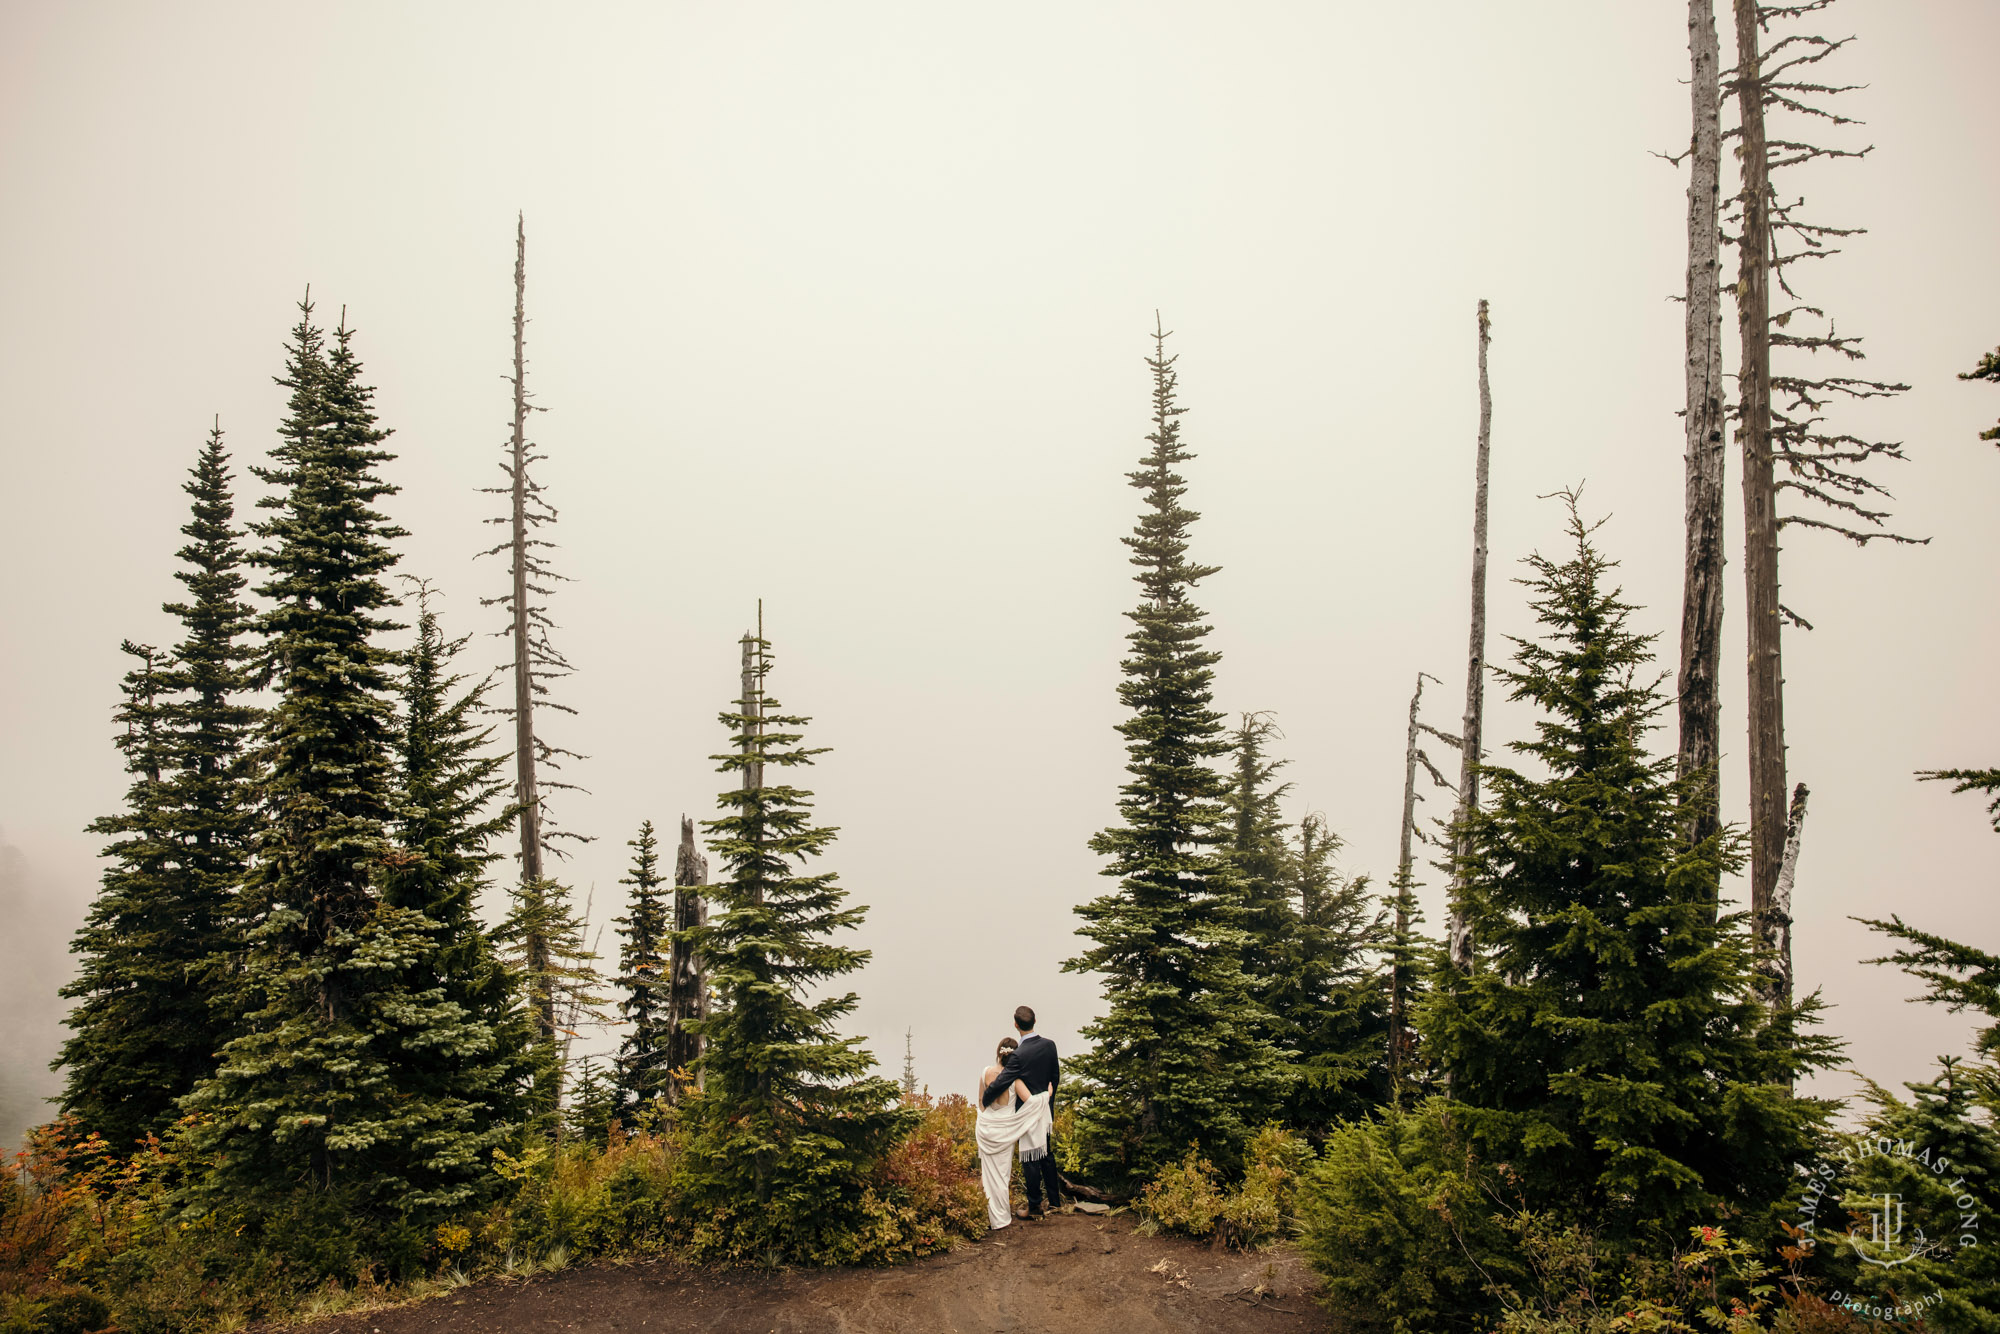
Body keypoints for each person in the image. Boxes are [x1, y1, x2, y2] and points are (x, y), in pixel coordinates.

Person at [980, 1005, 1061, 1218]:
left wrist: (985, 1101)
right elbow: (1055, 1077)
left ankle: (1034, 1205)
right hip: (1045, 1109)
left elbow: (1001, 1082)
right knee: (1046, 1153)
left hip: (1025, 1111)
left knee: (1029, 1157)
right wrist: (1048, 1104)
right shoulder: (1050, 1046)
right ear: (1035, 1021)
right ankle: (1055, 1201)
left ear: (1016, 1025)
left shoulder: (1018, 1055)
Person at [972, 1036, 1045, 1230]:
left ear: (998, 1052)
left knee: (987, 1176)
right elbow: (1031, 1102)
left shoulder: (985, 1072)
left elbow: (981, 1102)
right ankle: (1001, 1218)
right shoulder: (1014, 1078)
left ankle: (987, 1216)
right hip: (1005, 1130)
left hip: (987, 1128)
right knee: (1002, 1175)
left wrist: (987, 1121)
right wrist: (1048, 1094)